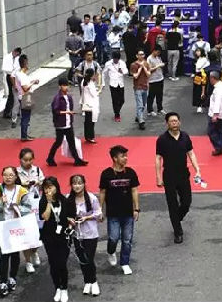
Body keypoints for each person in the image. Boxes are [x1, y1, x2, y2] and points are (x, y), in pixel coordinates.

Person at [155, 112, 201, 243]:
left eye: (176, 121)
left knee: (186, 202)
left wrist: (197, 170)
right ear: (167, 124)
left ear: (179, 122)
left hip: (183, 174)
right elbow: (158, 158)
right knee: (172, 204)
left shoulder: (185, 136)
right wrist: (158, 177)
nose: (174, 123)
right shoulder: (162, 139)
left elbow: (191, 153)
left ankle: (176, 218)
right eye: (171, 121)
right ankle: (178, 232)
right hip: (169, 176)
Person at [0, 167, 31, 298]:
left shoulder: (22, 191)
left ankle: (12, 277)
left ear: (16, 176)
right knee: (4, 252)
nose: (8, 177)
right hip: (2, 226)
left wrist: (16, 207)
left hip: (16, 225)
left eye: (11, 175)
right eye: (5, 175)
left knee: (15, 252)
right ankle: (2, 282)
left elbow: (28, 208)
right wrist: (1, 202)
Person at [99, 145, 140, 275]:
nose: (125, 158)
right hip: (113, 213)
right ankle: (111, 251)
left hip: (128, 212)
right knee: (113, 238)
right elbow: (102, 192)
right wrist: (100, 209)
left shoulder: (131, 173)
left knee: (127, 239)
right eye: (122, 156)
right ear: (115, 158)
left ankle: (125, 263)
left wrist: (136, 208)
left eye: (126, 156)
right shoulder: (106, 174)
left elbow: (134, 190)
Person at [38, 176, 71, 302]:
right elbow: (45, 217)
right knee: (53, 263)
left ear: (56, 187)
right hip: (49, 237)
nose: (48, 190)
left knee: (62, 262)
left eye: (50, 187)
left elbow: (69, 215)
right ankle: (57, 287)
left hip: (63, 237)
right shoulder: (43, 201)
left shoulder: (64, 200)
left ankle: (64, 288)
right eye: (46, 188)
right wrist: (49, 202)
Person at [68, 174, 102, 296]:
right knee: (82, 259)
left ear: (84, 184)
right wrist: (70, 219)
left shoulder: (91, 198)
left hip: (90, 233)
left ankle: (94, 281)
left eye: (79, 183)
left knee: (89, 258)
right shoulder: (69, 199)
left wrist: (86, 218)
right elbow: (64, 214)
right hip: (77, 234)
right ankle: (87, 281)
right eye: (74, 183)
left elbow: (98, 213)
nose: (77, 186)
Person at [45, 79, 87, 167]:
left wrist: (69, 114)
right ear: (60, 86)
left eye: (67, 85)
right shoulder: (57, 98)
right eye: (64, 85)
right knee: (58, 142)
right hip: (60, 124)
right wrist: (67, 112)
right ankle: (50, 158)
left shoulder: (68, 97)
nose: (66, 87)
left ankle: (77, 159)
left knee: (71, 142)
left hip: (68, 123)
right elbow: (55, 111)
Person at [15, 148, 43, 273]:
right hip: (23, 207)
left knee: (38, 233)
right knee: (26, 235)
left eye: (30, 159)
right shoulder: (15, 172)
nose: (28, 162)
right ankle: (27, 261)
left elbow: (45, 184)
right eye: (25, 160)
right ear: (20, 159)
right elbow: (11, 187)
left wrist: (38, 182)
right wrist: (22, 184)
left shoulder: (37, 170)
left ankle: (34, 251)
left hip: (36, 206)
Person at [15, 55, 39, 141]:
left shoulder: (20, 74)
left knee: (25, 117)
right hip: (25, 97)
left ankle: (24, 134)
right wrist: (33, 83)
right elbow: (25, 88)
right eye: (27, 63)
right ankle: (24, 136)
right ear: (25, 63)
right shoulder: (21, 75)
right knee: (26, 117)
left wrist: (32, 82)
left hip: (23, 96)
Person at [80, 68, 101, 144]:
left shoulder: (84, 81)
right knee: (91, 121)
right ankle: (90, 137)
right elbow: (94, 94)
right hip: (91, 104)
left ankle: (87, 136)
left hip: (86, 103)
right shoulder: (90, 83)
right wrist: (99, 90)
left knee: (87, 121)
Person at [130, 50, 149, 130]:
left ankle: (138, 116)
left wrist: (144, 67)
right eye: (139, 54)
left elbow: (148, 74)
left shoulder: (146, 63)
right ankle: (141, 121)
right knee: (140, 105)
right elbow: (135, 76)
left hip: (145, 87)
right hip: (137, 87)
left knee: (143, 104)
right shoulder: (133, 65)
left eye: (142, 54)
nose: (141, 56)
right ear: (137, 56)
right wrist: (140, 68)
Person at [1, 47, 22, 120]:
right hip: (10, 76)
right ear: (14, 51)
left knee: (18, 93)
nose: (17, 56)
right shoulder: (7, 57)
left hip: (16, 76)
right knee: (11, 94)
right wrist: (12, 71)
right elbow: (4, 68)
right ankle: (7, 112)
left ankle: (16, 110)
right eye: (16, 54)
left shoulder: (17, 58)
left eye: (18, 55)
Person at [146, 46, 166, 116]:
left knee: (159, 95)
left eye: (159, 53)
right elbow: (149, 70)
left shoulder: (158, 58)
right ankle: (150, 110)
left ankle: (160, 109)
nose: (158, 54)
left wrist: (162, 65)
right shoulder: (149, 59)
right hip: (153, 80)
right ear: (154, 51)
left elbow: (161, 64)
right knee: (151, 95)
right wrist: (157, 66)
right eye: (157, 52)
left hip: (160, 78)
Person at [192, 48, 209, 113]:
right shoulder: (198, 59)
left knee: (202, 90)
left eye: (199, 51)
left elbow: (198, 67)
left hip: (202, 75)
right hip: (198, 76)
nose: (197, 52)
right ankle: (199, 105)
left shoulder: (204, 59)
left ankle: (202, 105)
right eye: (196, 51)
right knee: (197, 90)